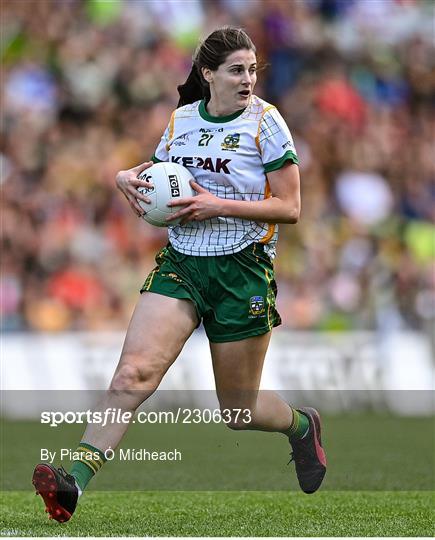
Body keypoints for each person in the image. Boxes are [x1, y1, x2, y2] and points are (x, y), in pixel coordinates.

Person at [32, 26, 326, 523]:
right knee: (132, 374)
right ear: (208, 74)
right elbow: (159, 176)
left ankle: (301, 426)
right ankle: (72, 487)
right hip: (183, 263)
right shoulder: (182, 120)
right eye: (237, 70)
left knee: (238, 412)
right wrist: (126, 176)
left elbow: (291, 206)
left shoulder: (267, 124)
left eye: (253, 70)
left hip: (243, 270)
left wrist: (216, 204)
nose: (248, 79)